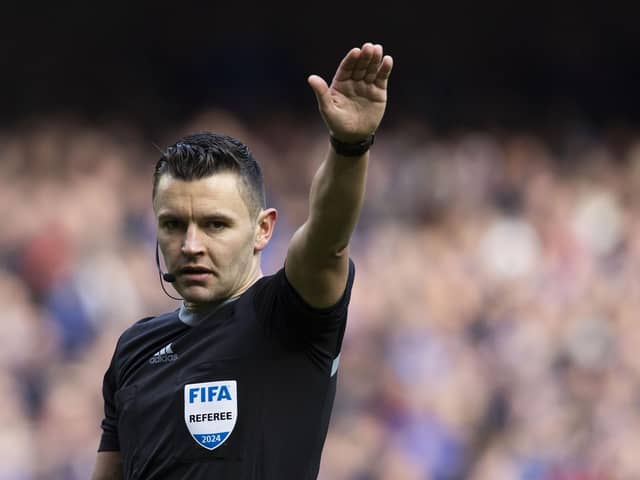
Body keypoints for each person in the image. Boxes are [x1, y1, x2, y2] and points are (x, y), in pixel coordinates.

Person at [91, 42, 393, 480]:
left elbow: (327, 239)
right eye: (174, 224)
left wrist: (349, 146)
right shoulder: (134, 350)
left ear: (263, 229)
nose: (191, 244)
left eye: (215, 225)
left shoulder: (289, 315)